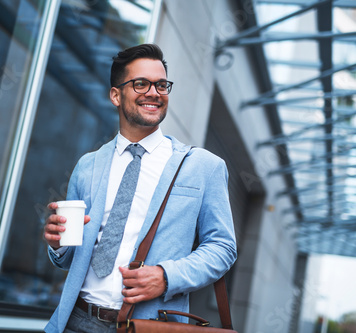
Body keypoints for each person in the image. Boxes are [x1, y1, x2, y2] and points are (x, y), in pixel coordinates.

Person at [43, 43, 237, 333]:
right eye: (141, 84)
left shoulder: (202, 166)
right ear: (115, 95)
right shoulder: (88, 165)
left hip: (147, 325)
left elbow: (223, 247)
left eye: (161, 85)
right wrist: (58, 245)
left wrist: (166, 276)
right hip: (76, 320)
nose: (154, 92)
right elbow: (71, 259)